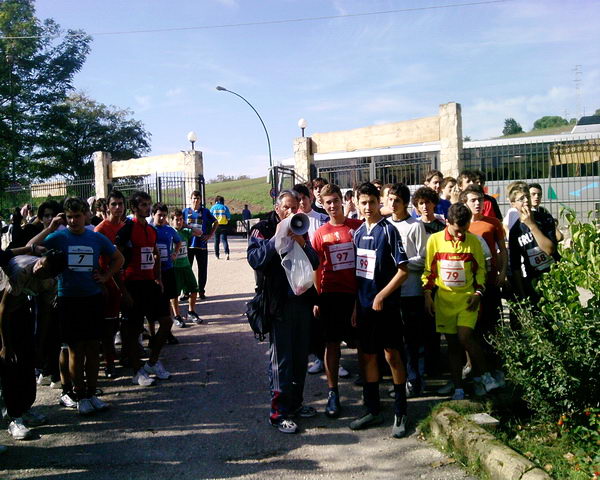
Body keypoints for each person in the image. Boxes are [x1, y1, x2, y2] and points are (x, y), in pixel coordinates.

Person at [28, 197, 124, 415]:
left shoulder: (95, 237)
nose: (73, 221)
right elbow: (31, 247)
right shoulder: (59, 237)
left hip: (92, 299)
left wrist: (106, 275)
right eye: (69, 217)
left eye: (77, 216)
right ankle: (79, 396)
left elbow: (118, 258)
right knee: (75, 350)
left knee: (93, 349)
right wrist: (50, 228)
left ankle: (91, 393)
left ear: (86, 215)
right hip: (68, 300)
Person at [247, 190, 320, 434]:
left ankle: (295, 404)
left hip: (301, 302)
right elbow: (255, 259)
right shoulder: (262, 228)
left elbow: (315, 262)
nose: (291, 212)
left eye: (294, 207)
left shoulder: (301, 227)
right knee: (282, 361)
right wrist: (275, 240)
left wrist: (301, 242)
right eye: (286, 207)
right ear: (277, 208)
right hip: (278, 304)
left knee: (300, 357)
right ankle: (278, 413)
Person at [350, 182, 410, 438]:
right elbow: (358, 274)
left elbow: (404, 270)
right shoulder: (357, 233)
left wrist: (382, 295)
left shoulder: (389, 231)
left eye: (372, 202)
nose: (367, 207)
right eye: (363, 202)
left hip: (386, 308)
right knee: (368, 357)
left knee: (392, 356)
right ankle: (373, 409)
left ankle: (401, 411)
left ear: (379, 203)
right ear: (357, 203)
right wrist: (356, 305)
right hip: (364, 308)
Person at [422, 203, 499, 401]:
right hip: (444, 302)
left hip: (468, 300)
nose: (460, 235)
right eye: (457, 230)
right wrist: (428, 294)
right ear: (447, 222)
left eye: (464, 230)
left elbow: (481, 270)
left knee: (465, 336)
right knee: (453, 346)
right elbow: (429, 271)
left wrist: (478, 293)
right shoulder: (434, 240)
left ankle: (486, 376)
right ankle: (458, 388)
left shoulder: (473, 241)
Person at [312, 184, 363, 418]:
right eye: (328, 202)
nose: (332, 206)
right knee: (331, 345)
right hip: (330, 295)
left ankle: (369, 387)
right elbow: (316, 268)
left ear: (342, 200)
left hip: (355, 295)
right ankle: (333, 393)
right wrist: (316, 298)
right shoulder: (320, 233)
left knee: (361, 343)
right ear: (323, 205)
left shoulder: (357, 227)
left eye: (335, 200)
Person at [0, 245, 61, 440]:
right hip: (3, 312)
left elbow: (44, 313)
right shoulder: (22, 271)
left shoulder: (50, 282)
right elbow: (3, 309)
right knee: (11, 364)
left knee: (28, 361)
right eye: (40, 263)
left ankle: (25, 408)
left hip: (21, 309)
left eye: (44, 268)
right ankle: (13, 417)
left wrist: (39, 345)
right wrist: (5, 346)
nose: (39, 268)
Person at [115, 191, 173, 386]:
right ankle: (136, 371)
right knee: (133, 330)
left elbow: (155, 254)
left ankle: (152, 363)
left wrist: (158, 278)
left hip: (150, 283)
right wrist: (123, 290)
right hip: (133, 284)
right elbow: (116, 259)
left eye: (149, 204)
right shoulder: (127, 229)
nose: (147, 208)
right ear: (134, 207)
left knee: (166, 321)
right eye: (143, 205)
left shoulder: (151, 230)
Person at [460, 185, 507, 391]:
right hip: (468, 286)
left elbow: (502, 249)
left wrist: (503, 272)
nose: (478, 203)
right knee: (471, 329)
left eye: (480, 199)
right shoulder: (461, 225)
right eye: (473, 200)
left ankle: (496, 368)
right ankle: (474, 369)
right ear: (464, 203)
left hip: (490, 282)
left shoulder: (493, 223)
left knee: (492, 325)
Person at [387, 183, 427, 397]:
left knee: (413, 341)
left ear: (405, 204)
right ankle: (400, 381)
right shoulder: (385, 225)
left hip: (411, 291)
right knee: (396, 341)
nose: (393, 204)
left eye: (397, 201)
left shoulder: (415, 225)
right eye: (390, 200)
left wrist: (401, 264)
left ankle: (415, 380)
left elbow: (423, 258)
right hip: (392, 292)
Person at [94, 190, 126, 379]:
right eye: (114, 204)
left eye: (120, 204)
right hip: (109, 284)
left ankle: (128, 354)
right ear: (107, 207)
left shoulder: (125, 227)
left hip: (126, 282)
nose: (117, 207)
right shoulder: (100, 230)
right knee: (109, 326)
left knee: (126, 323)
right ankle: (109, 362)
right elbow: (97, 261)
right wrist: (105, 280)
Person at [508, 186, 560, 301]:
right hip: (534, 281)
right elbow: (515, 266)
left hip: (555, 274)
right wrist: (522, 294)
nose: (526, 200)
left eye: (527, 196)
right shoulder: (515, 231)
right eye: (521, 199)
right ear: (513, 204)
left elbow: (550, 250)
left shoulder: (545, 219)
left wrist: (532, 225)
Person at [182, 191, 217, 299]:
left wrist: (210, 235)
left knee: (202, 269)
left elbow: (215, 222)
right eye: (194, 198)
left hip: (201, 245)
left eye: (198, 198)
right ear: (190, 199)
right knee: (186, 269)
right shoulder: (185, 211)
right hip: (188, 245)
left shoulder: (205, 211)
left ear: (200, 200)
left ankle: (201, 291)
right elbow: (180, 223)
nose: (196, 200)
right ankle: (186, 292)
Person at [170, 209, 202, 325]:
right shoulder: (170, 232)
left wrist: (187, 225)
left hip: (186, 266)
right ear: (171, 221)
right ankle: (177, 316)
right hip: (175, 267)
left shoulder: (185, 231)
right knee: (175, 293)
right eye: (176, 220)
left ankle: (191, 311)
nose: (179, 222)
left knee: (194, 289)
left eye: (180, 219)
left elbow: (200, 233)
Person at [210, 196, 231, 260]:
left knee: (216, 241)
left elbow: (209, 217)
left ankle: (217, 255)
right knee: (224, 240)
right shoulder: (225, 207)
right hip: (223, 225)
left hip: (215, 226)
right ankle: (227, 253)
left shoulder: (213, 207)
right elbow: (229, 217)